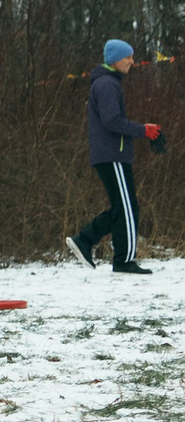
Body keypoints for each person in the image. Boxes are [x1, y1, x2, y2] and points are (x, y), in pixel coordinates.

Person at [69, 39, 161, 275]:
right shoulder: (108, 84)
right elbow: (112, 121)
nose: (132, 61)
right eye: (128, 57)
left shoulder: (107, 82)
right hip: (113, 155)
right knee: (128, 208)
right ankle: (121, 259)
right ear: (115, 59)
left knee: (124, 208)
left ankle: (89, 242)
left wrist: (144, 128)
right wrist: (144, 130)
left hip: (111, 154)